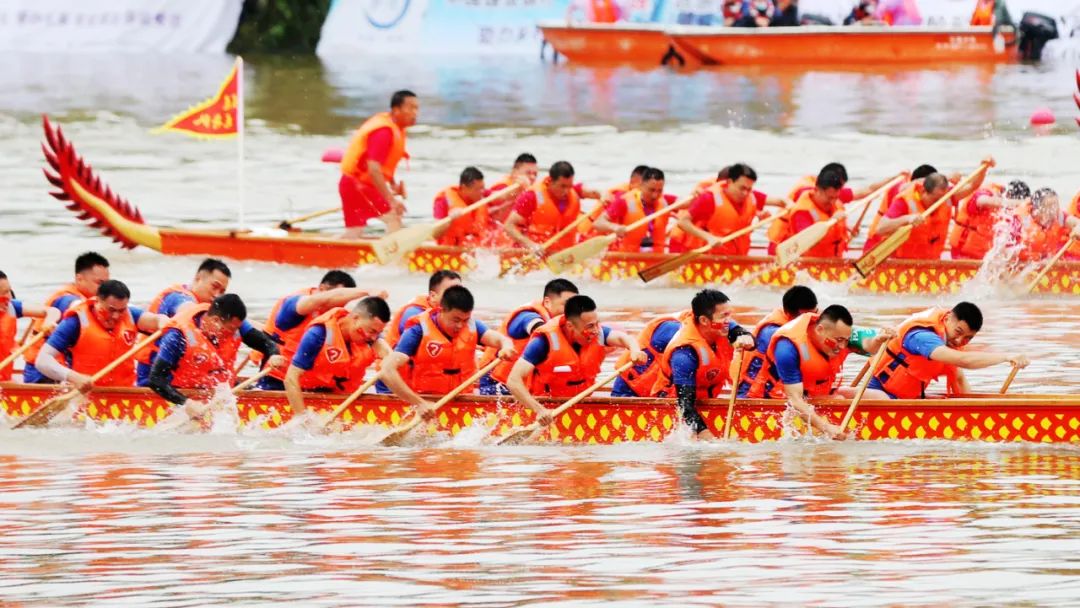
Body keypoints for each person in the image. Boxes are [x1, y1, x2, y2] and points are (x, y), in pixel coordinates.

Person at [743, 305, 893, 438]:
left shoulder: (840, 333)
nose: (842, 346)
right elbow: (795, 400)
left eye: (846, 341)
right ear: (820, 330)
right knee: (839, 399)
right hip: (781, 399)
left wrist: (878, 340)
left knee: (879, 397)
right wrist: (826, 428)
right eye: (838, 340)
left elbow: (869, 346)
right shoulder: (787, 348)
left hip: (816, 393)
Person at [505, 295, 645, 425]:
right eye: (590, 326)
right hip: (546, 410)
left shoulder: (598, 333)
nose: (596, 330)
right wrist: (539, 410)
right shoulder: (543, 342)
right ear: (570, 326)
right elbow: (513, 380)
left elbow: (623, 338)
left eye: (597, 324)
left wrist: (635, 350)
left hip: (581, 404)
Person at [381, 286, 515, 417]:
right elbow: (387, 370)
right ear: (441, 310)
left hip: (463, 401)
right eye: (456, 320)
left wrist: (506, 346)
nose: (460, 325)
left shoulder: (473, 325)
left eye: (465, 320)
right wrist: (419, 403)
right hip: (427, 404)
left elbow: (500, 339)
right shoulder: (417, 330)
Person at [147, 294, 286, 412]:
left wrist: (274, 355)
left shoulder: (236, 325)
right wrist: (186, 404)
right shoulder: (178, 336)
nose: (234, 333)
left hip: (223, 395)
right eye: (230, 330)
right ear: (215, 321)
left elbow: (267, 344)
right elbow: (155, 379)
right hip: (186, 398)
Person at [613, 289, 753, 401]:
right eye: (724, 316)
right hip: (631, 390)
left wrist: (743, 335)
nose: (727, 321)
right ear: (703, 321)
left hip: (668, 392)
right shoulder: (678, 337)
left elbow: (730, 325)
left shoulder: (714, 322)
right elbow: (685, 402)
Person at [868, 302, 1028, 398]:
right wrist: (1006, 357)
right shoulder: (923, 337)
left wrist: (974, 413)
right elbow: (964, 360)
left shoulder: (948, 341)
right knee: (879, 398)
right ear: (948, 318)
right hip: (880, 393)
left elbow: (959, 379)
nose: (960, 341)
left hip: (905, 398)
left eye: (968, 338)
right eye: (958, 332)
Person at [257, 271, 386, 391]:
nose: (341, 304)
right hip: (280, 380)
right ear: (322, 289)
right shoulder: (294, 304)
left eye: (346, 301)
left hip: (317, 383)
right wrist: (368, 291)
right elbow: (325, 299)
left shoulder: (341, 319)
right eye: (340, 297)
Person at [33, 280, 166, 390]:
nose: (116, 316)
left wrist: (163, 321)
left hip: (124, 393)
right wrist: (74, 377)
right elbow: (42, 360)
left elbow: (156, 320)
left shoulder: (131, 314)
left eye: (121, 311)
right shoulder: (75, 322)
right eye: (111, 310)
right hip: (86, 394)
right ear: (97, 301)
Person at [282, 296, 392, 420]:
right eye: (372, 331)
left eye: (378, 333)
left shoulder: (371, 338)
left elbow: (391, 361)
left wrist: (389, 359)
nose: (374, 337)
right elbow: (291, 378)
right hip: (309, 394)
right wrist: (302, 419)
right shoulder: (318, 334)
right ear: (355, 318)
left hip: (344, 397)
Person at [863, 160, 993, 259]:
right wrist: (907, 219)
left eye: (941, 199)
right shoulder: (904, 201)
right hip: (902, 264)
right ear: (923, 191)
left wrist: (984, 167)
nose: (938, 203)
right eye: (934, 199)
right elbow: (881, 228)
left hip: (931, 263)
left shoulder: (946, 196)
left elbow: (972, 185)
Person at [137, 258, 233, 385]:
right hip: (153, 377)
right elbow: (187, 309)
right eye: (214, 287)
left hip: (181, 377)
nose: (217, 295)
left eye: (222, 292)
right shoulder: (178, 297)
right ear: (198, 278)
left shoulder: (209, 310)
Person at [478, 278, 580, 396]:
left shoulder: (561, 320)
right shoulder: (527, 316)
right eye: (566, 305)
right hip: (496, 382)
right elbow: (537, 327)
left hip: (522, 381)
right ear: (547, 302)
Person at [339, 90, 418, 238]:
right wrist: (391, 200)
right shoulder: (384, 132)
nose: (415, 113)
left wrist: (393, 184)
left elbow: (385, 164)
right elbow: (373, 169)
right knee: (394, 216)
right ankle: (392, 253)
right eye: (411, 108)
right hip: (358, 186)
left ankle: (327, 250)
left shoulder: (395, 128)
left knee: (354, 231)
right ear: (396, 110)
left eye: (416, 108)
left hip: (352, 183)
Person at [21, 252, 110, 384]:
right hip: (40, 371)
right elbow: (76, 306)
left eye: (107, 283)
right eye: (99, 283)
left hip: (60, 367)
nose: (105, 289)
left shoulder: (90, 299)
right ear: (79, 279)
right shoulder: (66, 298)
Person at [736, 285, 818, 398]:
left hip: (773, 392)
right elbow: (806, 359)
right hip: (751, 396)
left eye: (814, 314)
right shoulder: (775, 334)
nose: (811, 320)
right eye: (806, 317)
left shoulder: (794, 323)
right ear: (788, 314)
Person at [669, 163, 763, 256]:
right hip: (704, 255)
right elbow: (682, 222)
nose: (745, 193)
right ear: (730, 182)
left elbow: (770, 201)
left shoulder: (750, 196)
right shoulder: (709, 198)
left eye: (749, 189)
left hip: (735, 256)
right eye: (742, 188)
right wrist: (709, 237)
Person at [505, 161, 585, 255]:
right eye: (562, 186)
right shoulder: (534, 196)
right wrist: (530, 245)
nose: (566, 191)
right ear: (550, 181)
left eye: (569, 186)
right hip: (534, 254)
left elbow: (593, 192)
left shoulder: (572, 194)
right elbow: (508, 226)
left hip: (562, 256)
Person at [766, 167, 849, 258]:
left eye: (836, 198)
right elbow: (806, 241)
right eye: (830, 198)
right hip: (809, 262)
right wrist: (832, 221)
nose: (833, 202)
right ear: (817, 190)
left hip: (833, 259)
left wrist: (845, 230)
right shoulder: (802, 212)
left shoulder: (836, 203)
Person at [592, 167, 676, 253]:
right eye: (651, 190)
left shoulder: (665, 201)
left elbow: (684, 202)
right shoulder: (624, 201)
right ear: (641, 186)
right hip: (628, 257)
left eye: (659, 191)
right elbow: (598, 223)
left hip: (657, 257)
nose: (655, 195)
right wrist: (614, 227)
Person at [0, 271, 61, 381]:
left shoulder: (12, 306)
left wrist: (48, 322)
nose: (9, 297)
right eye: (4, 293)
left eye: (9, 291)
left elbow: (53, 311)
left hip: (5, 381)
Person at [948, 179, 1027, 260]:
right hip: (962, 253)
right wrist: (1022, 203)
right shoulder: (983, 194)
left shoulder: (1012, 216)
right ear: (1007, 194)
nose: (1011, 210)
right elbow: (984, 201)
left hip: (983, 256)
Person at [433, 166, 500, 247]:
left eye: (482, 188)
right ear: (464, 188)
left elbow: (502, 196)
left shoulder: (481, 193)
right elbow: (435, 234)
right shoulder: (443, 200)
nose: (482, 192)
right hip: (450, 249)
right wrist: (450, 220)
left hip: (477, 248)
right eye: (477, 189)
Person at [1012, 188, 1080, 262]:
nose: (1054, 212)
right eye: (1049, 207)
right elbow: (1007, 253)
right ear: (1036, 209)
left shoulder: (1058, 216)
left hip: (1044, 259)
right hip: (1021, 261)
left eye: (1055, 206)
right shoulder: (1020, 221)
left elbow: (1076, 222)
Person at [488, 153, 539, 222]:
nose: (532, 177)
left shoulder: (536, 189)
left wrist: (529, 190)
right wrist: (526, 191)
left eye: (535, 174)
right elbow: (502, 215)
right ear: (514, 172)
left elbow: (542, 204)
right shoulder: (502, 187)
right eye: (528, 173)